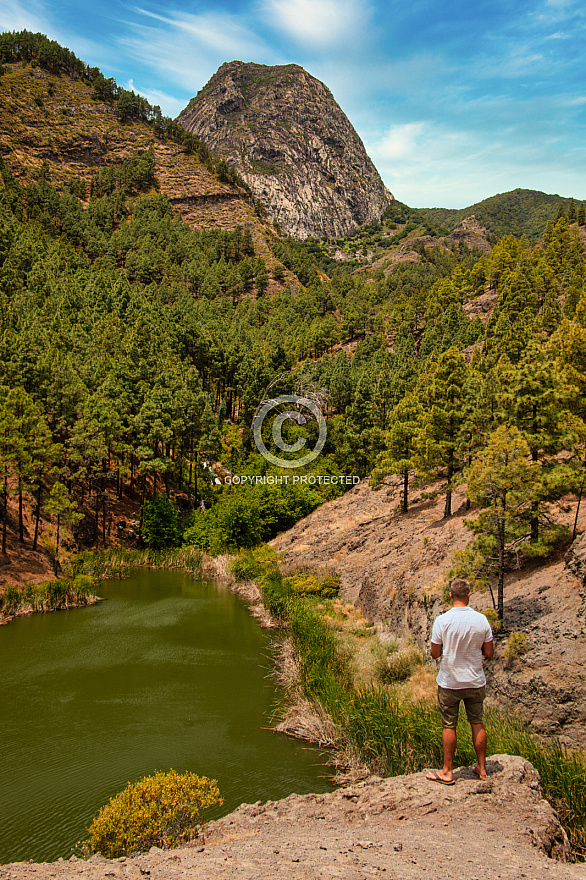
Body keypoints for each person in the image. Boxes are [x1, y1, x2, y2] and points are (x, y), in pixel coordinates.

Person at [426, 577, 494, 785]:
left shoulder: (442, 620)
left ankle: (447, 771)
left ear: (450, 596)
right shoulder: (481, 620)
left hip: (450, 682)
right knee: (477, 721)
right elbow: (489, 653)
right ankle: (482, 768)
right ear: (469, 595)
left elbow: (435, 654)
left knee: (449, 726)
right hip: (475, 680)